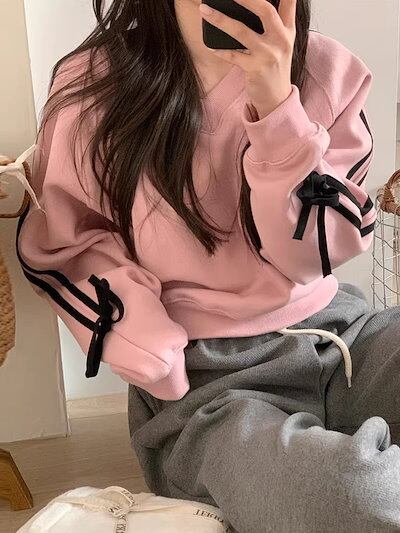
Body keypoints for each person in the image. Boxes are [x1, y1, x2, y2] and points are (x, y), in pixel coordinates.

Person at [15, 0, 400, 531]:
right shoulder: (94, 87)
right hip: (206, 382)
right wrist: (136, 330)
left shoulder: (329, 72)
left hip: (338, 339)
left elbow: (311, 259)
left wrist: (277, 108)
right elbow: (65, 242)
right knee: (360, 494)